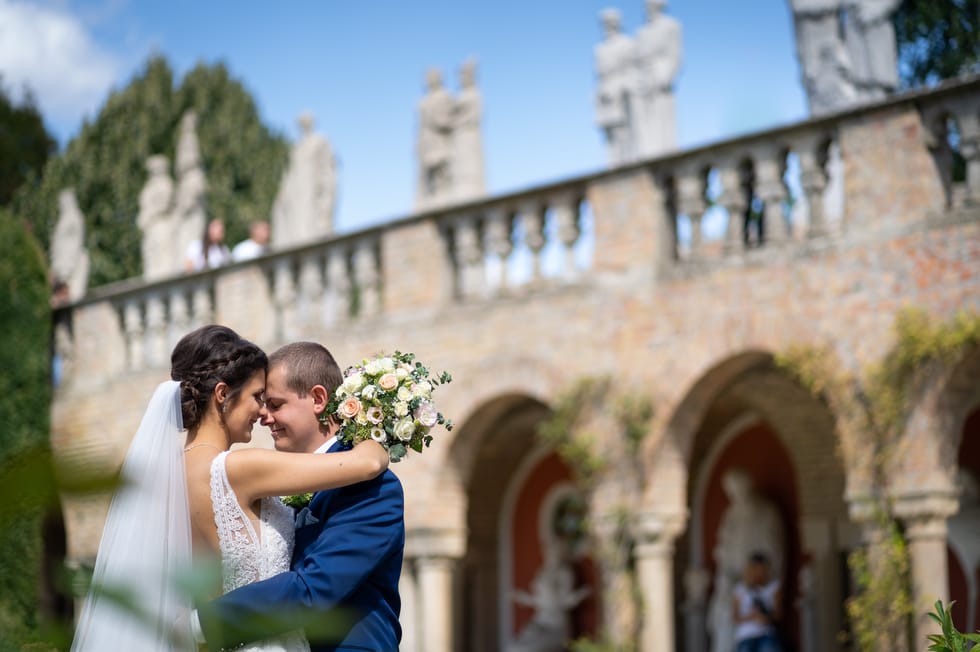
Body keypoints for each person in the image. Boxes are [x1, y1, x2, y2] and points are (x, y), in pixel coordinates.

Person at [71, 325, 389, 652]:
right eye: (256, 397)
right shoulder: (239, 468)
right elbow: (367, 465)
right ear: (223, 395)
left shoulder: (158, 477)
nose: (261, 413)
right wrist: (378, 429)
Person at [195, 341, 406, 652]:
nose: (264, 416)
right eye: (262, 403)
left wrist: (201, 623)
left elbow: (315, 590)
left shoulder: (375, 488)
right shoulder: (281, 484)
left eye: (276, 404)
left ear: (318, 399)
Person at [732, 552, 783, 652]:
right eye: (756, 569)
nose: (758, 574)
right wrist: (750, 617)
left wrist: (766, 618)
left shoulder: (774, 587)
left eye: (761, 570)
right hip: (744, 636)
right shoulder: (740, 589)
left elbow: (778, 615)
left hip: (767, 634)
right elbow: (734, 618)